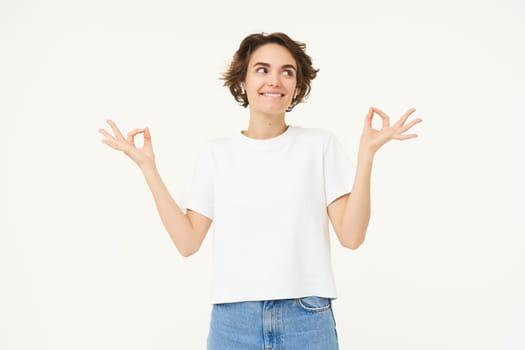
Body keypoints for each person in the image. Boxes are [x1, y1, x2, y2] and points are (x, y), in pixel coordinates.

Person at [98, 32, 422, 350]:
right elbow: (187, 242)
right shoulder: (215, 154)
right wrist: (147, 168)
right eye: (262, 69)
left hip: (307, 319)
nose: (275, 81)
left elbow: (351, 236)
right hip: (234, 323)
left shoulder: (319, 146)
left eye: (287, 72)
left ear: (297, 87)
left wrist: (367, 156)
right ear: (243, 81)